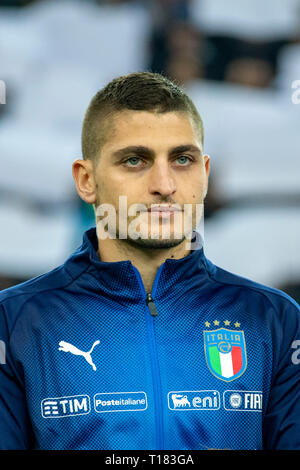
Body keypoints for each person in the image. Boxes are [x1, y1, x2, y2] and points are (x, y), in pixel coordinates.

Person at [0, 72, 299, 450]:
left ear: (205, 175)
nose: (164, 184)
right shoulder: (14, 325)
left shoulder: (276, 321)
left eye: (182, 159)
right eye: (135, 160)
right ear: (86, 180)